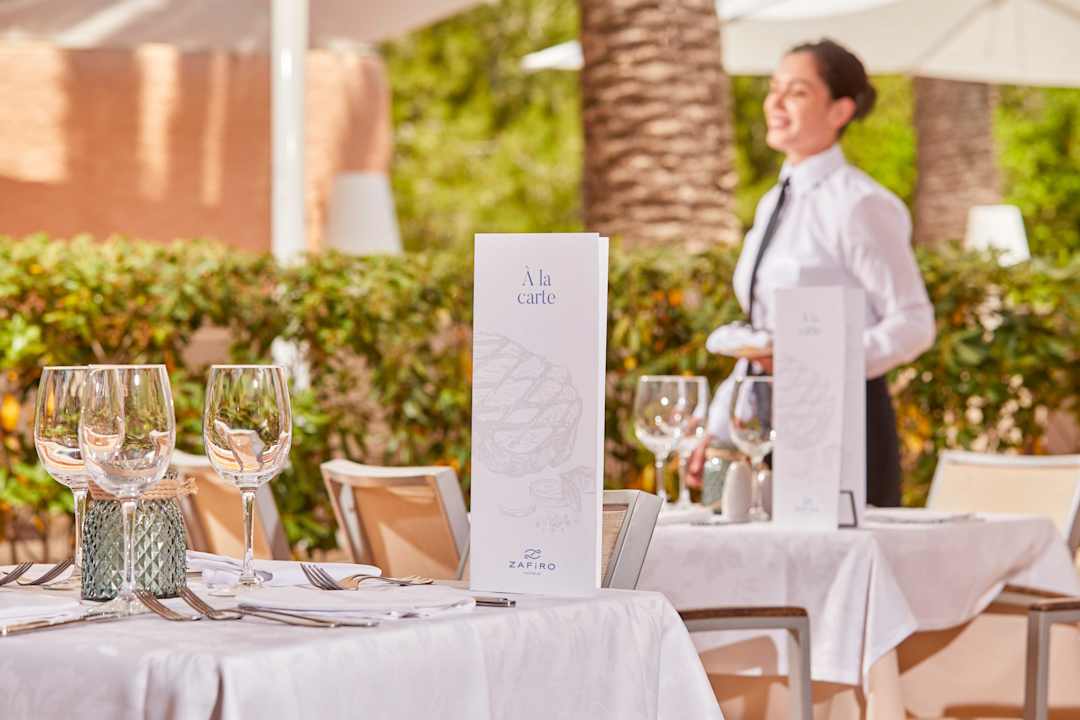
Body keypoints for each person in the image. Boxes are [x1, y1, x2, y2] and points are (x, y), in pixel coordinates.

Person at [689, 39, 935, 507]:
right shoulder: (773, 201)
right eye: (774, 89)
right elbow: (761, 334)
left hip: (844, 425)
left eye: (797, 92)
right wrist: (719, 426)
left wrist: (817, 360)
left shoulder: (860, 204)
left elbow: (914, 322)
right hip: (766, 422)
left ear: (840, 110)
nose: (775, 103)